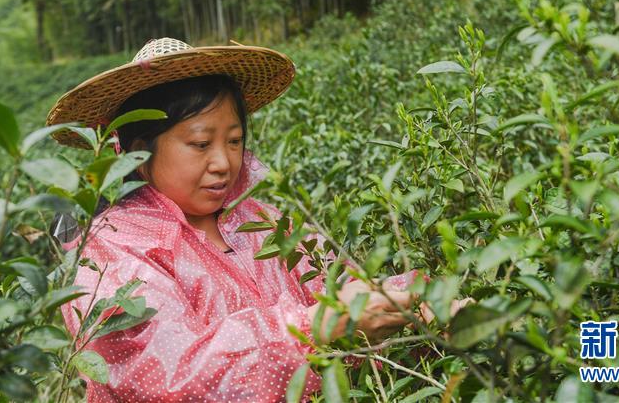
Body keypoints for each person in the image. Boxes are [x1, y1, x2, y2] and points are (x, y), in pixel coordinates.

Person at [46, 38, 436, 402]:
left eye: (233, 141)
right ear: (138, 154)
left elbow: (346, 284)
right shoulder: (112, 250)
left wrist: (421, 300)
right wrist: (317, 326)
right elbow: (173, 375)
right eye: (200, 144)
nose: (223, 162)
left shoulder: (262, 221)